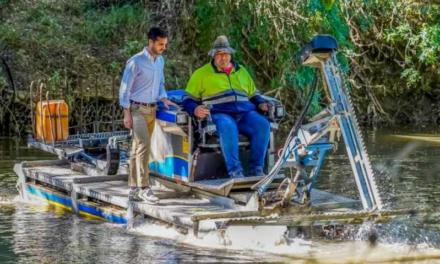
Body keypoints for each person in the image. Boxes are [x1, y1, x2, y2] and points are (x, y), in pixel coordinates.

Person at [182, 35, 271, 179]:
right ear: (213, 56)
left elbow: (253, 94)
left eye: (225, 54)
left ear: (230, 54)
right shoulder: (201, 74)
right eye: (219, 55)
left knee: (263, 124)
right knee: (228, 125)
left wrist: (261, 103)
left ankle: (257, 171)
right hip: (218, 114)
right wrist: (195, 109)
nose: (223, 58)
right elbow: (187, 99)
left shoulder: (241, 71)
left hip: (244, 114)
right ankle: (235, 173)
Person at [119, 27, 176, 203]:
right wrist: (126, 113)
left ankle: (133, 187)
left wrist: (164, 98)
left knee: (137, 148)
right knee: (143, 145)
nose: (163, 48)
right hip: (137, 108)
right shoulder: (135, 61)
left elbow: (160, 82)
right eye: (160, 44)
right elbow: (124, 89)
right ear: (150, 42)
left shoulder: (160, 61)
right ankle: (145, 187)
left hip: (153, 109)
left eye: (165, 44)